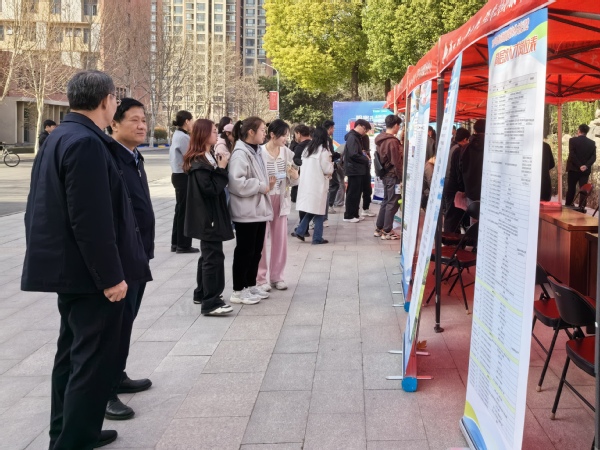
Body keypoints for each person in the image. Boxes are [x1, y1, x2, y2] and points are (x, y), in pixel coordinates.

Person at [21, 70, 152, 449]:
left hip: (71, 270)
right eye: (116, 99)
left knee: (71, 355)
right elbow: (91, 219)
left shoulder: (61, 135)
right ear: (107, 101)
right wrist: (110, 276)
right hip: (89, 275)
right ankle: (74, 440)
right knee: (90, 362)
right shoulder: (86, 143)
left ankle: (69, 432)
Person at [104, 98, 155, 421]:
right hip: (121, 258)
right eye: (134, 120)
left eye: (143, 120)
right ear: (114, 123)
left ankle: (118, 374)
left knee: (127, 321)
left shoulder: (134, 157)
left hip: (138, 254)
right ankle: (105, 393)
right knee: (113, 327)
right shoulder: (109, 158)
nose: (141, 126)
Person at [183, 119, 235, 315]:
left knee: (208, 255)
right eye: (213, 131)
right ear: (203, 134)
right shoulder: (199, 161)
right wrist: (221, 169)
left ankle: (202, 293)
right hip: (208, 216)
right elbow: (211, 189)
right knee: (213, 257)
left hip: (208, 214)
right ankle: (211, 302)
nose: (216, 134)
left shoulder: (206, 156)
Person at [228, 117, 275, 304]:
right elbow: (236, 183)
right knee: (245, 252)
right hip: (246, 212)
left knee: (256, 252)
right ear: (251, 132)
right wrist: (261, 186)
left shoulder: (255, 150)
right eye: (262, 130)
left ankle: (250, 284)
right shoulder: (240, 153)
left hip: (258, 210)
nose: (265, 133)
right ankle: (238, 290)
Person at [256, 120, 299, 292]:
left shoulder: (287, 153)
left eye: (287, 135)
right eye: (283, 135)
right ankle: (260, 278)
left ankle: (277, 277)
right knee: (260, 240)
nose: (286, 139)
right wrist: (267, 185)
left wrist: (295, 176)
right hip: (263, 199)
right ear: (272, 135)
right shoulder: (259, 153)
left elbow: (294, 179)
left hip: (281, 199)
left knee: (280, 240)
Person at [293, 127, 334, 244]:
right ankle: (316, 237)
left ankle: (302, 231)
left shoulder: (307, 149)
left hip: (306, 184)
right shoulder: (323, 151)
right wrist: (332, 165)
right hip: (318, 184)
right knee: (319, 210)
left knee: (314, 209)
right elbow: (327, 169)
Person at [170, 110, 198, 253]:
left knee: (180, 210)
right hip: (183, 176)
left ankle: (176, 243)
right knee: (185, 212)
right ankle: (183, 244)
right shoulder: (183, 137)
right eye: (192, 120)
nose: (193, 123)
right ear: (187, 121)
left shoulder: (178, 135)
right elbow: (191, 156)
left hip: (178, 175)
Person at [374, 114, 403, 240]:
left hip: (385, 175)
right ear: (396, 125)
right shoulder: (392, 141)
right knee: (392, 202)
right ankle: (387, 230)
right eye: (399, 125)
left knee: (386, 201)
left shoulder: (380, 139)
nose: (399, 128)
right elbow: (396, 162)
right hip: (393, 176)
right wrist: (401, 178)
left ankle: (379, 228)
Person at [343, 119, 371, 222]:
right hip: (353, 169)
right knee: (352, 193)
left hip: (358, 169)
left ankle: (355, 214)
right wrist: (366, 159)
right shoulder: (352, 137)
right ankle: (349, 216)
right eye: (364, 129)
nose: (365, 132)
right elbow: (353, 154)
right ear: (358, 125)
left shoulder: (357, 137)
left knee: (357, 193)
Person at [443, 127, 470, 233]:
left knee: (450, 214)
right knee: (453, 216)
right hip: (453, 187)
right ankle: (450, 238)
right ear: (465, 139)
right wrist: (462, 188)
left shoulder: (451, 146)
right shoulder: (458, 150)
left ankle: (450, 237)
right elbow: (458, 171)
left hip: (447, 183)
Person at [565, 124, 596, 206]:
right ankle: (581, 207)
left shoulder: (572, 140)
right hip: (585, 171)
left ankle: (568, 205)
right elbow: (593, 157)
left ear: (579, 130)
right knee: (583, 190)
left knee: (571, 188)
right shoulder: (592, 143)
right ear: (587, 132)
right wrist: (586, 166)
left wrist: (579, 165)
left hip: (573, 169)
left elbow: (572, 155)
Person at [459, 119, 486, 203]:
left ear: (474, 130)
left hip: (470, 192)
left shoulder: (465, 148)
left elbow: (460, 169)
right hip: (488, 192)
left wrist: (463, 189)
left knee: (472, 211)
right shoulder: (492, 147)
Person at [323, 119, 340, 214]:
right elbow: (330, 154)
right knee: (335, 184)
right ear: (330, 128)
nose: (333, 130)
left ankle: (327, 205)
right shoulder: (327, 139)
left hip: (325, 165)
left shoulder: (321, 138)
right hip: (328, 165)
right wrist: (337, 155)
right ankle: (329, 205)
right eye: (333, 128)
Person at [360, 133, 375, 217]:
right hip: (362, 171)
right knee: (366, 190)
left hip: (362, 171)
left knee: (366, 190)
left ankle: (364, 209)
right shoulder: (363, 153)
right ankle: (365, 209)